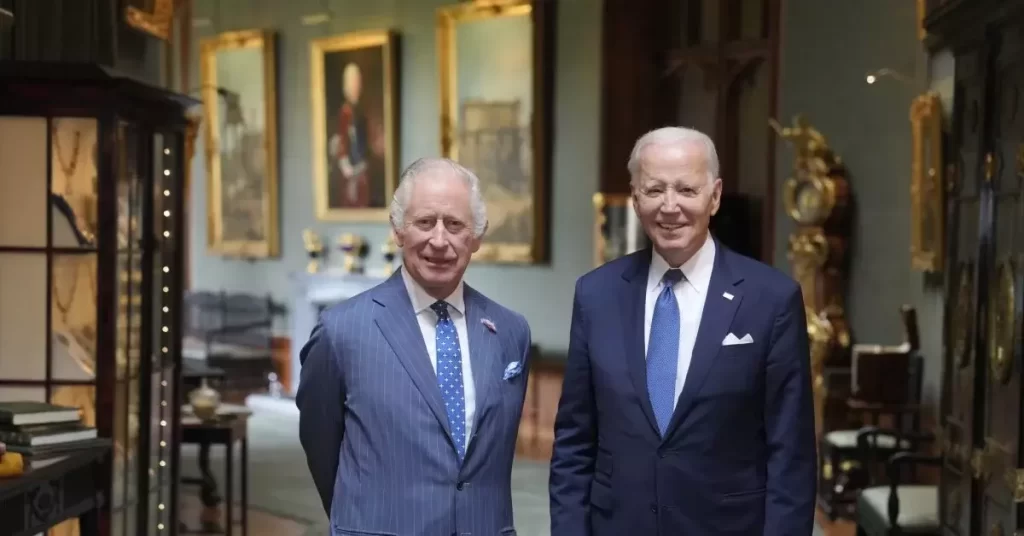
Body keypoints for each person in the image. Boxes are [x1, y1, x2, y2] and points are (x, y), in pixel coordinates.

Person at [549, 127, 817, 535]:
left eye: (687, 190)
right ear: (635, 197)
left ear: (715, 196)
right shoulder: (595, 294)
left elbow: (791, 455)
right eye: (654, 190)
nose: (669, 207)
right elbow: (574, 442)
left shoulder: (771, 300)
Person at [297, 157, 532, 536]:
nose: (439, 240)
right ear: (398, 229)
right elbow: (322, 447)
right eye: (425, 222)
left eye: (455, 224)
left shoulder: (509, 332)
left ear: (477, 236)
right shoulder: (341, 332)